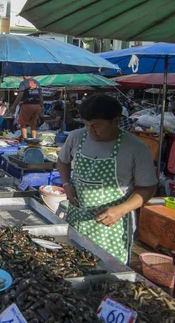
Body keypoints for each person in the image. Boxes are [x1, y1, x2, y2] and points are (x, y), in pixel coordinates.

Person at [57, 95, 158, 264]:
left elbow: (148, 188)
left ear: (115, 121)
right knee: (71, 263)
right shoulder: (76, 137)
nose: (90, 130)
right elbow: (62, 161)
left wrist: (121, 210)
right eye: (86, 124)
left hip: (111, 226)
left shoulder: (136, 148)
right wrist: (66, 183)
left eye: (96, 125)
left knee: (107, 272)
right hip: (76, 217)